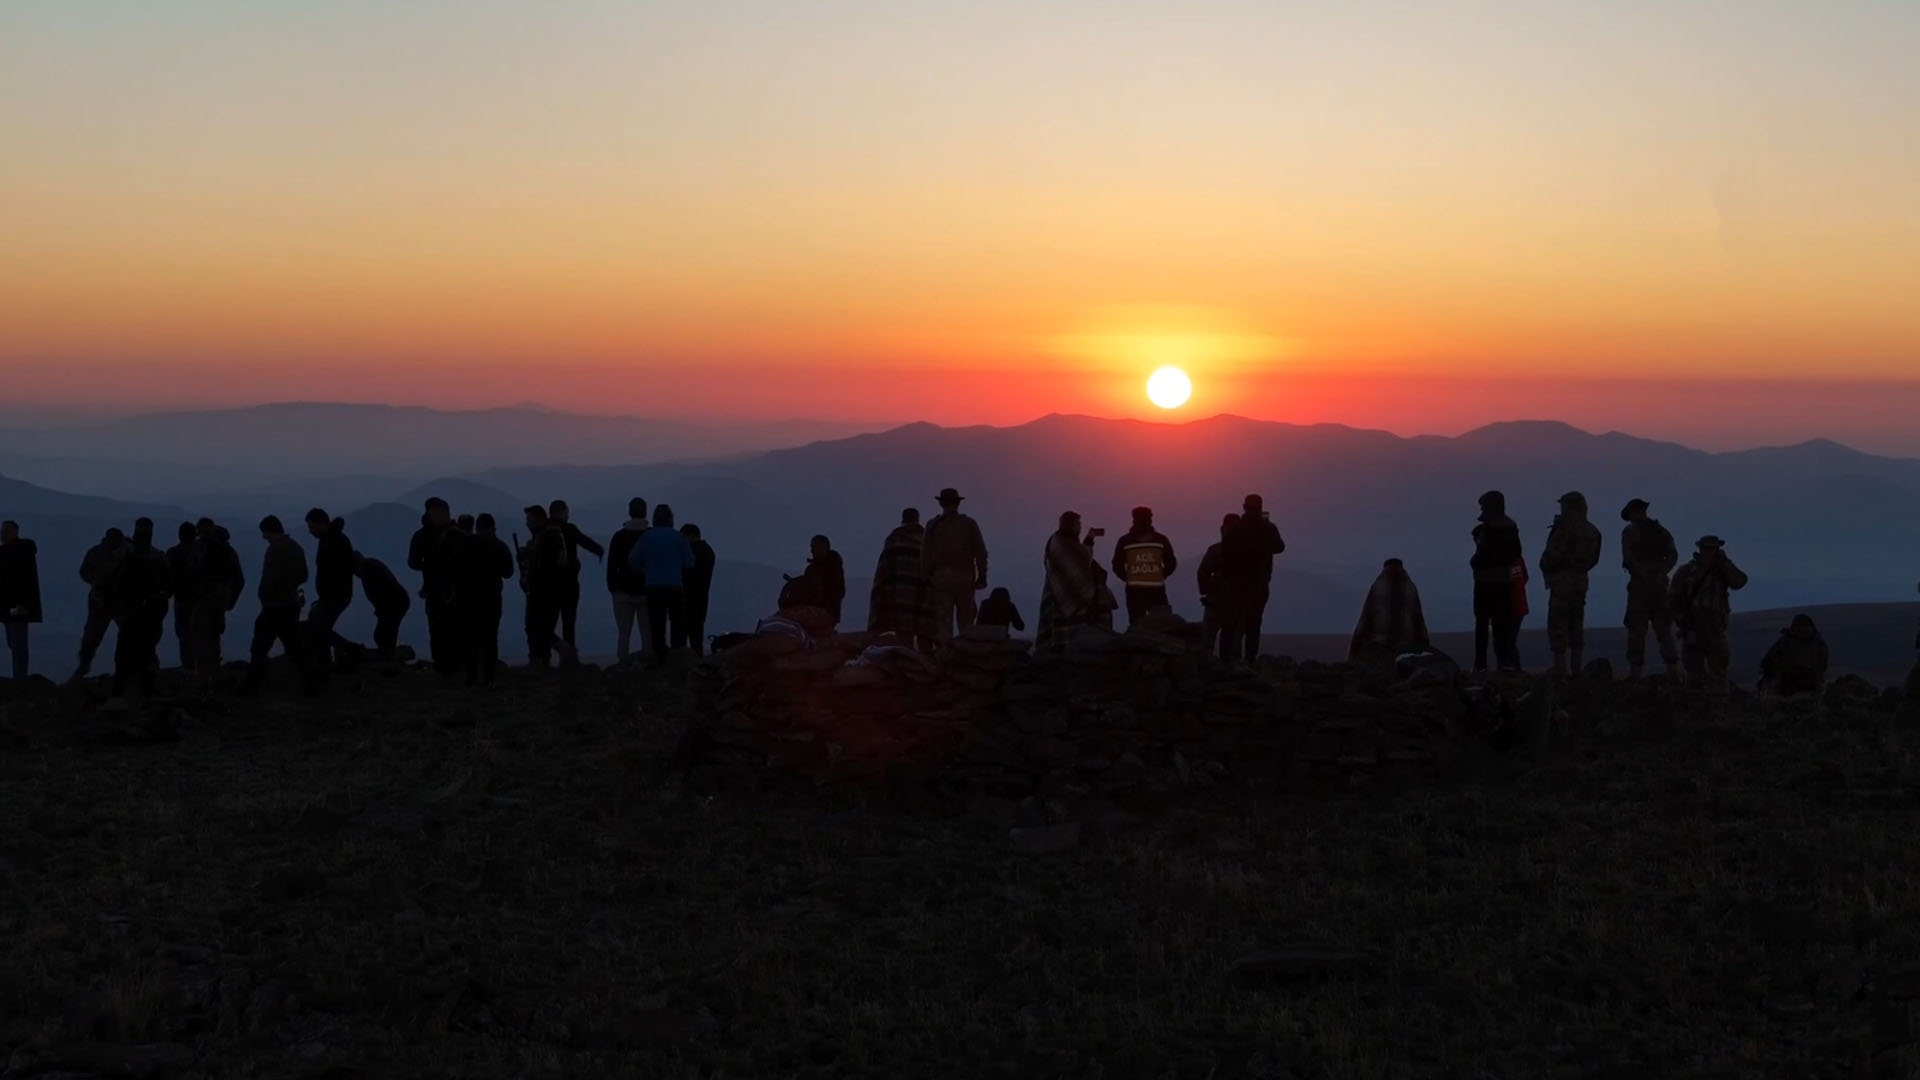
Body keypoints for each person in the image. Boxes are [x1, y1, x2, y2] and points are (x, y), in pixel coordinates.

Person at [243, 515, 311, 696]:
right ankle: (311, 682)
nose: (264, 538)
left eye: (264, 534)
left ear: (269, 531)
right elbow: (304, 576)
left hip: (274, 606)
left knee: (259, 646)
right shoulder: (296, 547)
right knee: (295, 647)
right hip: (290, 604)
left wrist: (263, 595)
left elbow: (268, 580)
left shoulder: (275, 550)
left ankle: (251, 686)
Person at [1669, 535, 1749, 687]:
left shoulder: (1722, 571)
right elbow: (1672, 600)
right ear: (1700, 549)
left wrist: (1725, 563)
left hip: (1716, 628)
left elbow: (1739, 582)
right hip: (1692, 628)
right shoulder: (1686, 572)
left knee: (1718, 673)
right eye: (1707, 548)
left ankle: (1719, 707)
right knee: (1693, 675)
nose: (1710, 552)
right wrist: (1682, 621)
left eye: (1714, 549)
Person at [1539, 491, 1603, 677]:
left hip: (1562, 583)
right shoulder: (1592, 531)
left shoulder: (1566, 529)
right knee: (1576, 623)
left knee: (1558, 624)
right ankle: (1576, 668)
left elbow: (1552, 556)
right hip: (1580, 582)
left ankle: (1560, 668)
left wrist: (1547, 564)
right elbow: (1594, 559)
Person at [108, 518, 171, 701]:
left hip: (139, 611)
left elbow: (114, 582)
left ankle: (128, 691)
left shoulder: (131, 556)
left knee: (131, 652)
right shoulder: (155, 557)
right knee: (139, 651)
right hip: (141, 611)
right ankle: (138, 690)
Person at [1037, 511, 1117, 650]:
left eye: (1080, 524)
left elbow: (1080, 560)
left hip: (1066, 592)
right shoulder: (1060, 541)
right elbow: (1080, 561)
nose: (1080, 527)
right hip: (1062, 592)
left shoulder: (1067, 541)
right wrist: (1090, 539)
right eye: (1077, 524)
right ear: (1070, 525)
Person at [1620, 498, 1681, 680]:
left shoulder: (1630, 531)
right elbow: (1673, 555)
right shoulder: (1660, 531)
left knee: (1636, 629)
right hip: (1660, 586)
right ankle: (1673, 671)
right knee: (1664, 630)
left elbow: (1628, 558)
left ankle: (1635, 672)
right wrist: (1662, 572)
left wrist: (1643, 574)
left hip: (1640, 587)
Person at [1220, 495, 1286, 662]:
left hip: (1237, 584)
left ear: (1244, 507)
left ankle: (1225, 661)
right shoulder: (1268, 529)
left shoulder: (1236, 529)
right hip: (1258, 584)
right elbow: (1279, 547)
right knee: (1253, 625)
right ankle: (1249, 660)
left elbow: (1225, 552)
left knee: (1231, 623)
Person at [455, 513, 515, 688]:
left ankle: (471, 677)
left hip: (466, 598)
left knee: (469, 637)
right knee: (490, 639)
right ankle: (488, 678)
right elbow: (508, 572)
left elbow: (454, 566)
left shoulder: (465, 543)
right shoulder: (499, 546)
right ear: (492, 527)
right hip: (491, 599)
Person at [922, 487, 989, 641]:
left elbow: (925, 554)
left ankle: (946, 657)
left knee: (943, 623)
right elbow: (981, 552)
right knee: (966, 623)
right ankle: (966, 657)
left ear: (941, 504)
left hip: (941, 579)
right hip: (965, 579)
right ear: (958, 503)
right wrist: (982, 575)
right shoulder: (969, 524)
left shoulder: (933, 525)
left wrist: (925, 577)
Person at [1470, 490, 1526, 673]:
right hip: (1504, 585)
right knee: (1500, 626)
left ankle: (1482, 665)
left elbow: (1481, 558)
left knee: (1483, 626)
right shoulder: (1510, 528)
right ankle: (1504, 665)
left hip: (1486, 585)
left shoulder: (1490, 530)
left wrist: (1476, 561)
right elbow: (1516, 555)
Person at [632, 504, 694, 666]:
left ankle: (659, 658)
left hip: (653, 587)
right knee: (676, 621)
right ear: (671, 519)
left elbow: (632, 560)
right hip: (674, 586)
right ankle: (677, 655)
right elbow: (690, 562)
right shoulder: (679, 537)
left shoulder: (647, 537)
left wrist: (646, 570)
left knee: (656, 624)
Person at [867, 508, 935, 650]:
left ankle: (907, 666)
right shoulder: (928, 541)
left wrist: (880, 596)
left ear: (903, 520)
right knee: (925, 639)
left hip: (900, 598)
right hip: (924, 597)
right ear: (917, 519)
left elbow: (883, 571)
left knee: (904, 639)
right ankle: (926, 667)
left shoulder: (894, 540)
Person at [408, 499, 461, 675]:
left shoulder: (424, 536)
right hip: (445, 589)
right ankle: (447, 666)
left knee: (442, 629)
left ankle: (446, 666)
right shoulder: (455, 534)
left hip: (444, 589)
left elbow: (413, 562)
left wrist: (429, 567)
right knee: (444, 628)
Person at [187, 518, 244, 679]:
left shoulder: (202, 548)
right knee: (214, 636)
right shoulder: (227, 550)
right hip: (220, 599)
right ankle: (213, 672)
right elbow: (239, 579)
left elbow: (194, 573)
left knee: (199, 635)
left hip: (205, 599)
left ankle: (203, 674)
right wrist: (230, 600)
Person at [518, 504, 572, 669]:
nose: (527, 524)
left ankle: (560, 652)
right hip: (542, 590)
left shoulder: (549, 536)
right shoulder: (545, 535)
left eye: (529, 520)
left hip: (546, 590)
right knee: (535, 626)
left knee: (540, 627)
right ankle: (541, 659)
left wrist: (528, 555)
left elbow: (546, 564)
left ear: (538, 519)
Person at [304, 510, 355, 687]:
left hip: (335, 596)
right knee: (319, 630)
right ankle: (326, 668)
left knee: (319, 631)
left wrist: (328, 596)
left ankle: (327, 670)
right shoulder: (330, 540)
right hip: (331, 596)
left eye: (311, 526)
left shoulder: (335, 541)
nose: (310, 531)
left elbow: (338, 572)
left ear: (321, 524)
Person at [1348, 558, 1432, 663]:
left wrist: (1353, 654)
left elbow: (1364, 620)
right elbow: (1419, 621)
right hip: (1406, 648)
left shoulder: (1378, 586)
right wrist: (1426, 647)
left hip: (1379, 647)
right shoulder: (1410, 588)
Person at [70, 527, 126, 682]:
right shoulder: (97, 553)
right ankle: (84, 665)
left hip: (119, 600)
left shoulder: (126, 553)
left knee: (128, 635)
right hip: (101, 600)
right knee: (92, 636)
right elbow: (84, 572)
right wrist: (95, 582)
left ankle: (128, 667)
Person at [549, 499, 604, 652]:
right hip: (569, 585)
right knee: (569, 623)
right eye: (566, 512)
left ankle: (543, 658)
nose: (568, 515)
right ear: (561, 512)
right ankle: (568, 656)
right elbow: (585, 542)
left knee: (548, 623)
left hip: (549, 586)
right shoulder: (569, 529)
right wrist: (599, 550)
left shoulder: (545, 530)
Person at [1112, 506, 1177, 626]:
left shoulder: (1126, 541)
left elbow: (1171, 562)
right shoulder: (1159, 540)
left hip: (1150, 591)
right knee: (1143, 626)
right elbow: (1116, 565)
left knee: (1159, 625)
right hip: (1140, 592)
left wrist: (1160, 575)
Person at [606, 499, 652, 663]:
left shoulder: (619, 536)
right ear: (646, 512)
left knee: (623, 632)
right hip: (646, 591)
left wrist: (612, 587)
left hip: (622, 591)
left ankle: (622, 662)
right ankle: (648, 661)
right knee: (647, 631)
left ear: (629, 511)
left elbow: (612, 565)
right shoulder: (650, 535)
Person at [0, 520, 43, 683]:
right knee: (14, 641)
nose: (3, 535)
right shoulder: (12, 552)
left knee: (17, 641)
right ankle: (19, 677)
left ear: (15, 533)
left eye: (6, 532)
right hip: (9, 606)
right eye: (2, 531)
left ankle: (20, 678)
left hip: (17, 605)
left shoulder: (19, 551)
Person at [353, 553, 411, 661]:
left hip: (395, 602)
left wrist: (382, 611)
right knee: (384, 633)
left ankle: (389, 657)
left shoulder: (370, 570)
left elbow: (381, 592)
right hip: (392, 604)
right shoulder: (368, 570)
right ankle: (388, 655)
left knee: (384, 633)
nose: (355, 575)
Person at [1197, 514, 1239, 658]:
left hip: (1224, 603)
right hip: (1221, 602)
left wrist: (1206, 590)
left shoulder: (1216, 550)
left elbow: (1202, 573)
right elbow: (1202, 573)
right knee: (1223, 641)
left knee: (1212, 641)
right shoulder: (1217, 550)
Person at [1760, 613, 1829, 696]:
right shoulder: (1818, 643)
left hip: (1786, 685)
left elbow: (1767, 661)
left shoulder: (1785, 641)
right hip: (1813, 685)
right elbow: (1824, 664)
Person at [165, 522, 200, 669]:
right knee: (201, 633)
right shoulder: (203, 551)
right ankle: (203, 666)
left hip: (182, 598)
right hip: (201, 598)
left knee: (184, 634)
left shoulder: (173, 552)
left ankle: (189, 666)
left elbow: (167, 576)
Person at [680, 523, 716, 655]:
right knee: (696, 640)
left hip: (684, 601)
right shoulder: (708, 551)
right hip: (701, 602)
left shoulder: (687, 552)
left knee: (679, 642)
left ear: (688, 536)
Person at [796, 535, 847, 628]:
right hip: (810, 610)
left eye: (816, 546)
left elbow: (839, 591)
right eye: (812, 547)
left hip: (825, 614)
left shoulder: (833, 567)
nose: (812, 550)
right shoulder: (812, 569)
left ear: (825, 548)